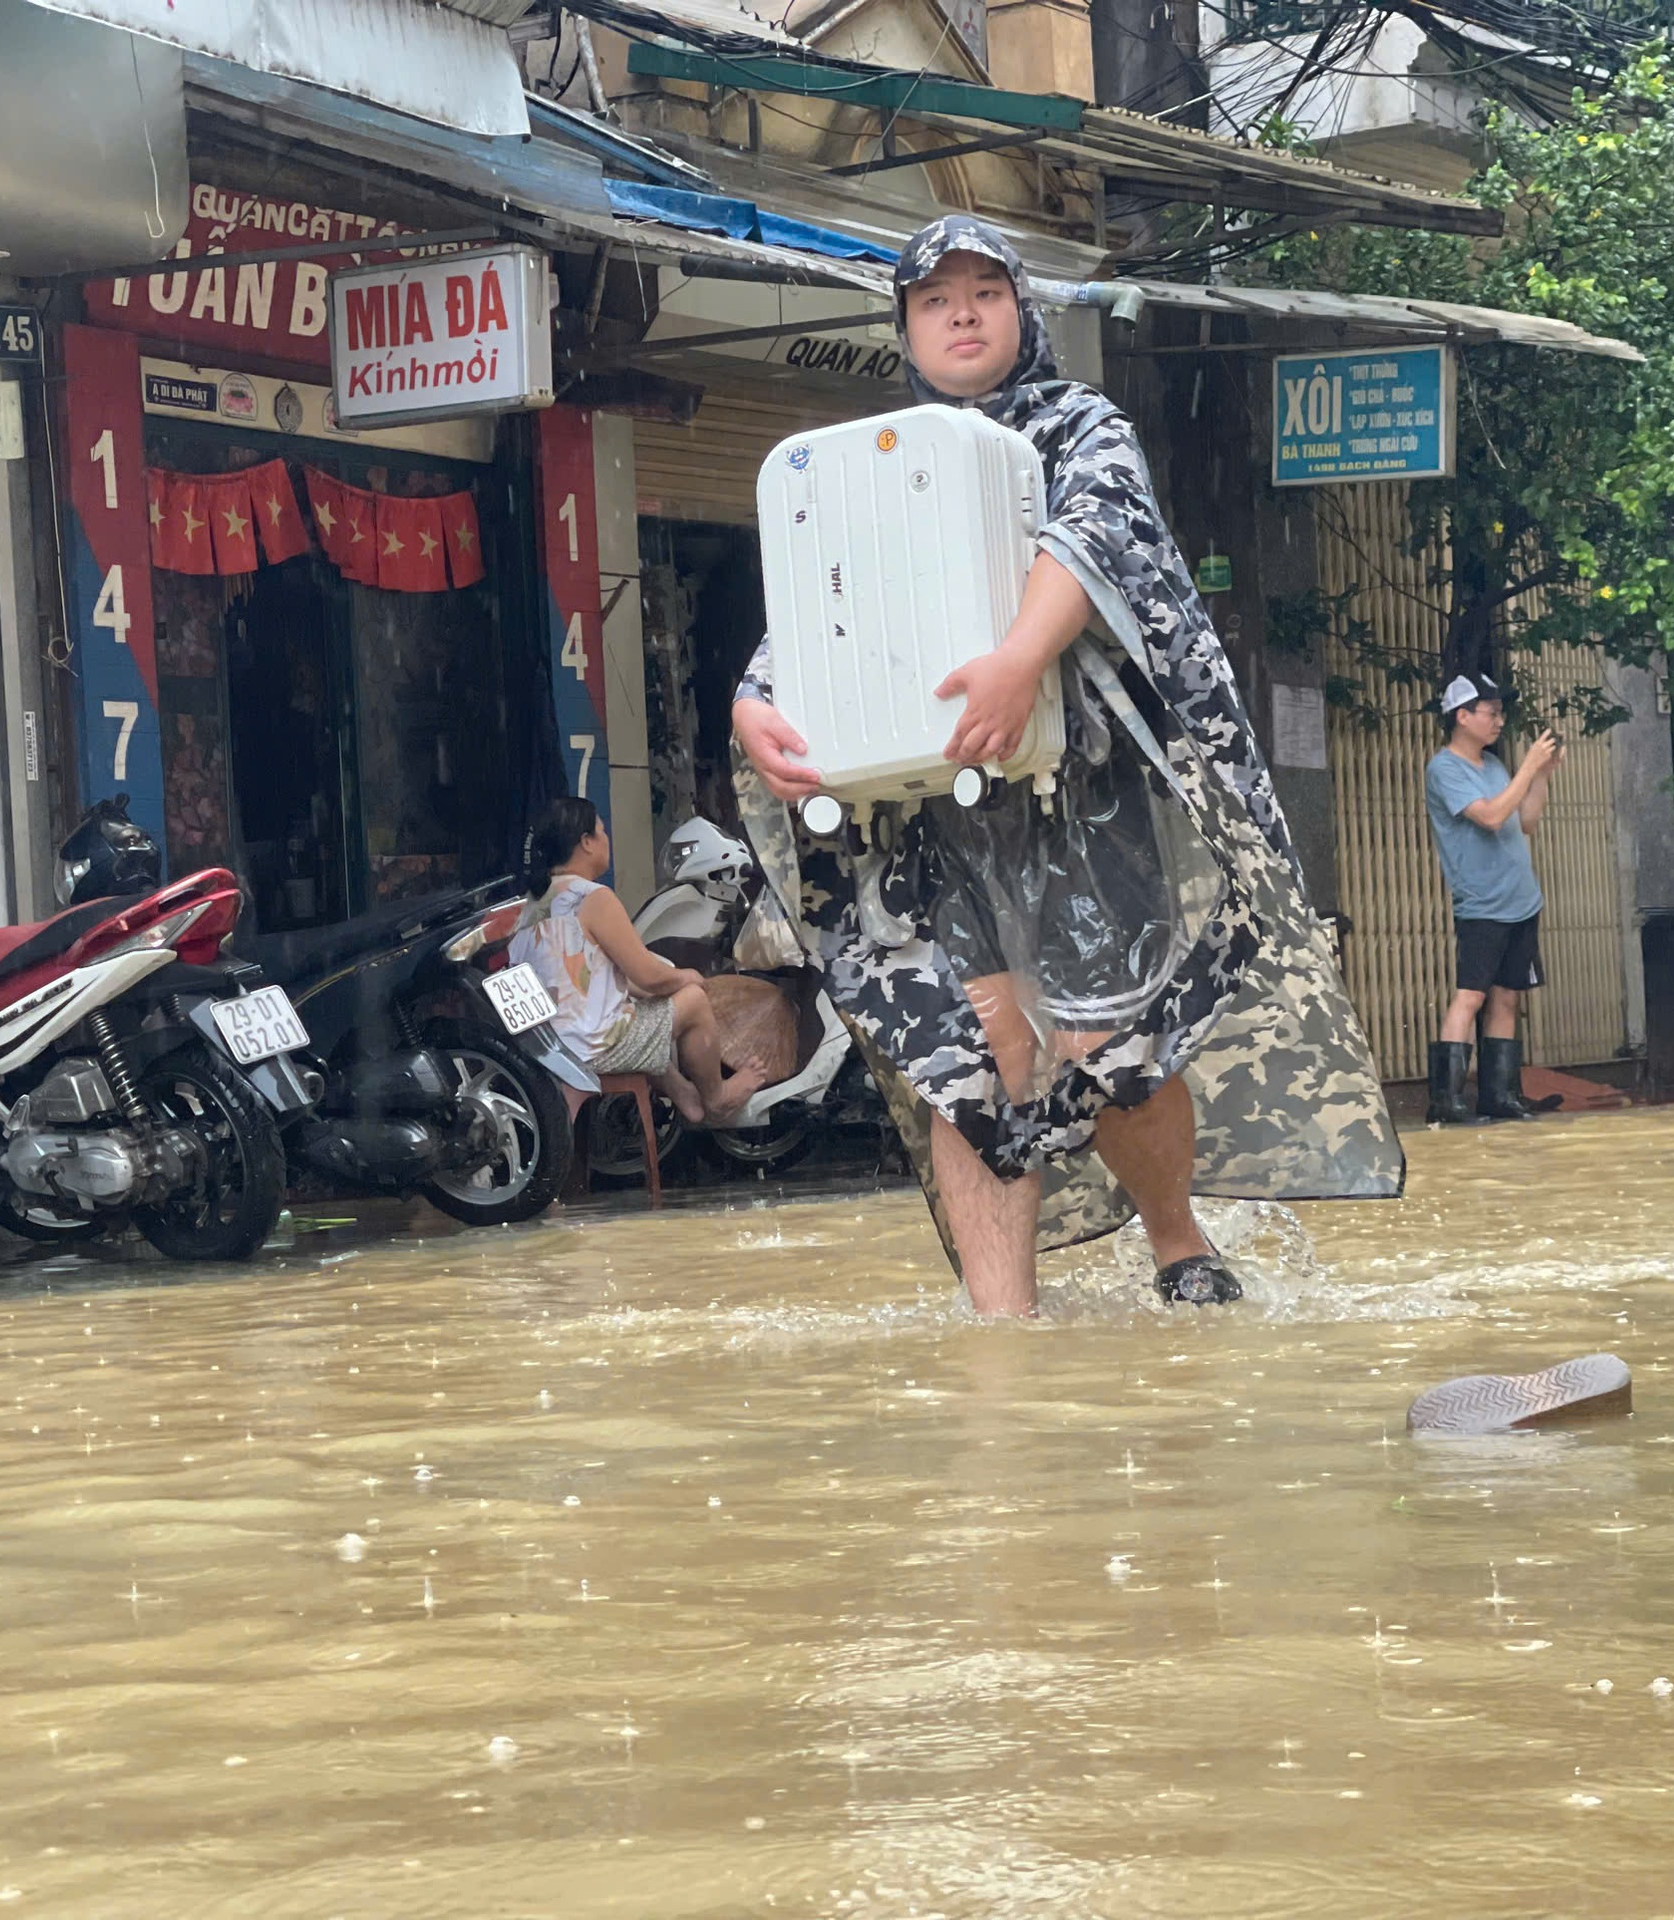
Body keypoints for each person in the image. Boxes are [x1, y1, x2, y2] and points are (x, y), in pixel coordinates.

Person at [730, 215, 1400, 1318]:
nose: (959, 312)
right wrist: (756, 704)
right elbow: (815, 606)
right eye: (934, 297)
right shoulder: (866, 462)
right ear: (903, 325)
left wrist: (1018, 658)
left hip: (1083, 793)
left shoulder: (1080, 424)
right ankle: (1004, 1328)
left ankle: (1178, 1243)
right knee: (970, 1056)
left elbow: (1090, 542)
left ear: (1021, 313)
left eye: (984, 291)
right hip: (932, 807)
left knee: (1108, 1042)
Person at [507, 796, 765, 1124]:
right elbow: (649, 976)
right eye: (601, 831)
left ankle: (685, 1095)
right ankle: (716, 1098)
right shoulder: (592, 897)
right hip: (592, 1046)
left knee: (641, 1013)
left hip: (547, 1047)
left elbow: (598, 978)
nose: (606, 839)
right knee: (694, 1001)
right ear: (586, 842)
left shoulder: (530, 907)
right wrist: (688, 978)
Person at [1423, 673, 1561, 1124]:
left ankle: (1498, 1095)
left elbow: (1524, 821)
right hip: (1482, 903)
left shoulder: (1495, 766)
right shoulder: (1444, 768)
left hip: (1521, 899)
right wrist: (1526, 768)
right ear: (1462, 716)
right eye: (1492, 712)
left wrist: (1538, 775)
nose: (1499, 720)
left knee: (1507, 997)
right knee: (1471, 996)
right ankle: (1447, 1100)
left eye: (1502, 712)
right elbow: (1489, 816)